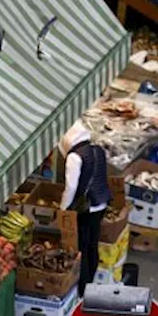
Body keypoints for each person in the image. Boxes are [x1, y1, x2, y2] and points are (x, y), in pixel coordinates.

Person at [59, 124, 111, 299]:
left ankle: (83, 287)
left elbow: (71, 187)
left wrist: (63, 208)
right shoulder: (98, 150)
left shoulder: (75, 157)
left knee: (81, 245)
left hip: (86, 207)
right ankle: (91, 281)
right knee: (92, 244)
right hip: (101, 203)